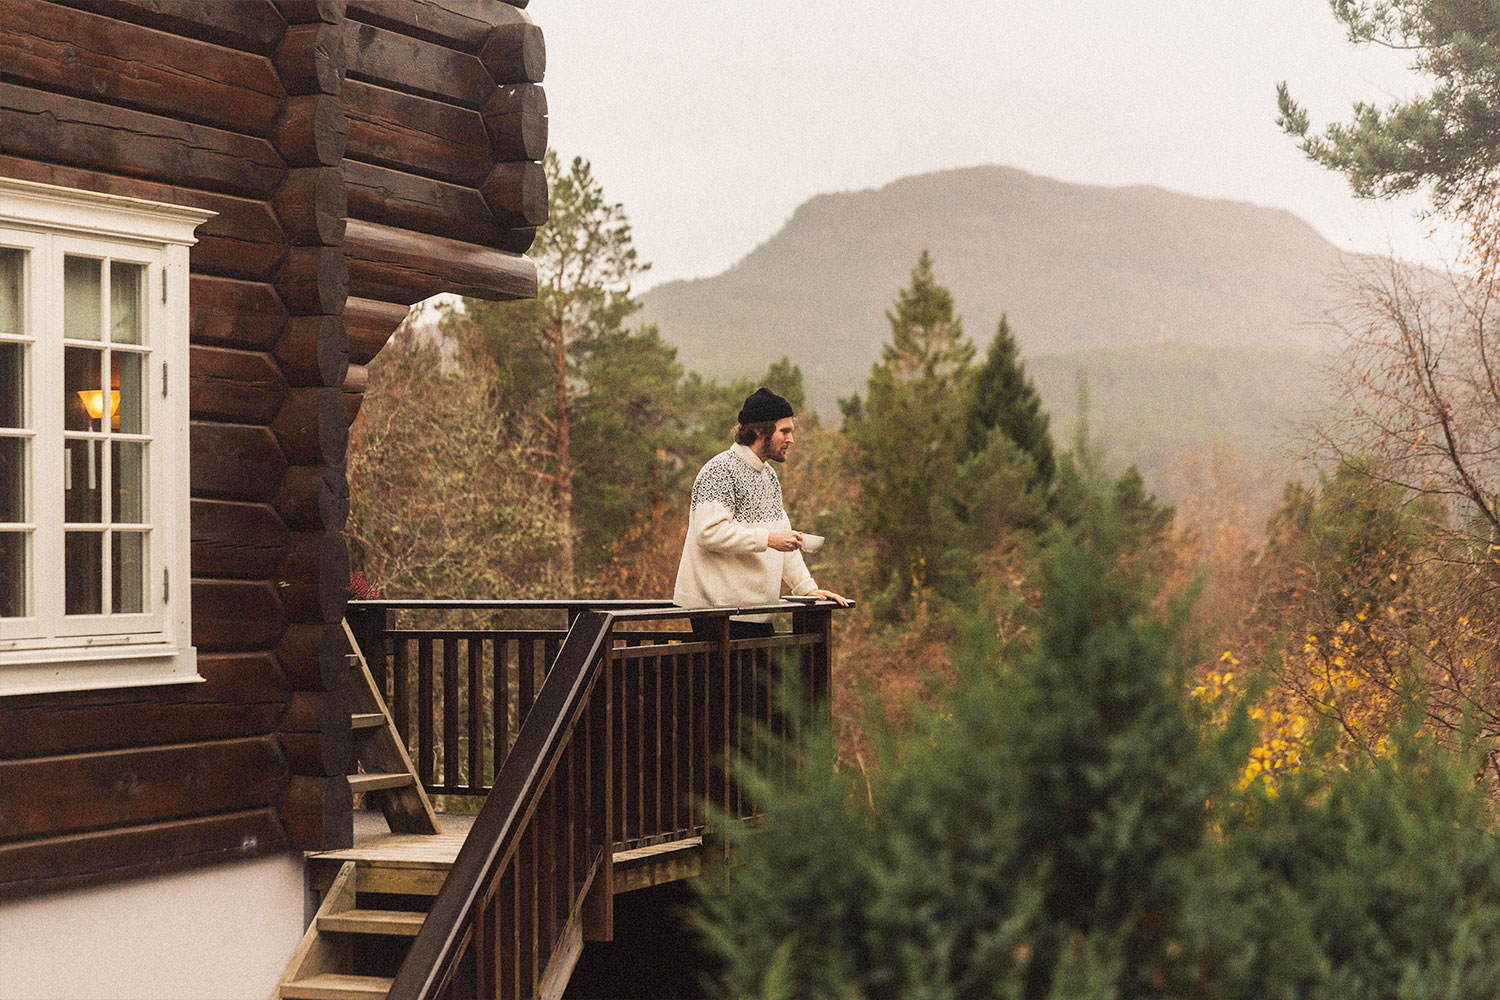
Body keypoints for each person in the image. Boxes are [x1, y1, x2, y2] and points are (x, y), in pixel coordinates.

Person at [673, 386, 849, 640]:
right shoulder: (719, 471)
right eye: (785, 431)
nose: (791, 439)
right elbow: (708, 533)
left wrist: (807, 589)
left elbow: (785, 541)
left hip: (756, 614)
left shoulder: (768, 476)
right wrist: (768, 539)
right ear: (759, 430)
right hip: (718, 615)